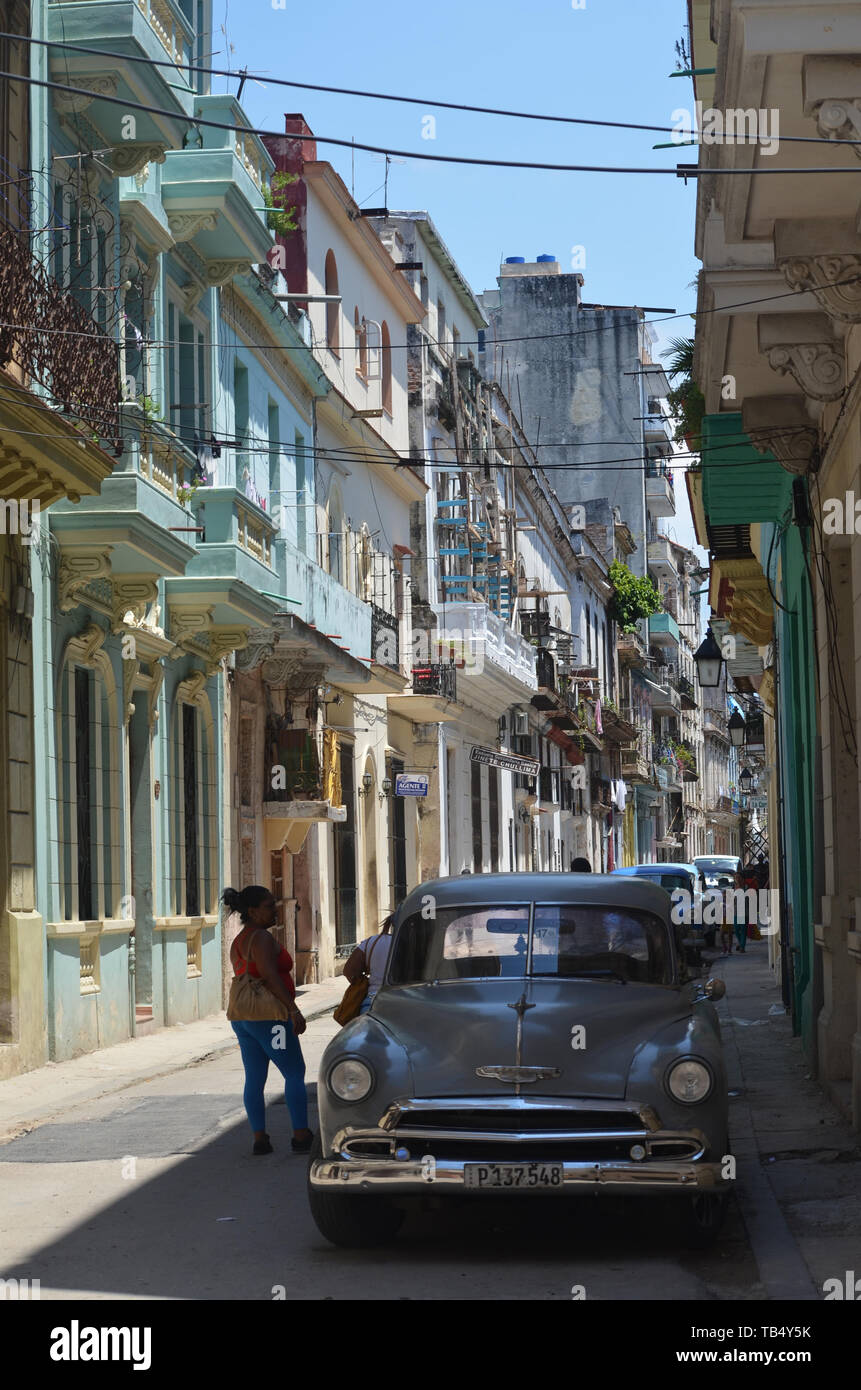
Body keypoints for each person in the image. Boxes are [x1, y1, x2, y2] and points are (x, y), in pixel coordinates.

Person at [223, 885, 313, 1157]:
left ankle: (259, 1138)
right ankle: (300, 1136)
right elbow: (271, 976)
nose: (275, 910)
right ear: (252, 911)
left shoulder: (239, 940)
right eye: (269, 906)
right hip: (269, 1019)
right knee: (295, 1073)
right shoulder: (260, 938)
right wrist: (293, 1010)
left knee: (254, 1077)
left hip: (244, 1018)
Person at [342, 914, 395, 1014]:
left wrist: (362, 983)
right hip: (402, 1000)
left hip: (372, 1000)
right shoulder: (410, 943)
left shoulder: (371, 942)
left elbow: (348, 971)